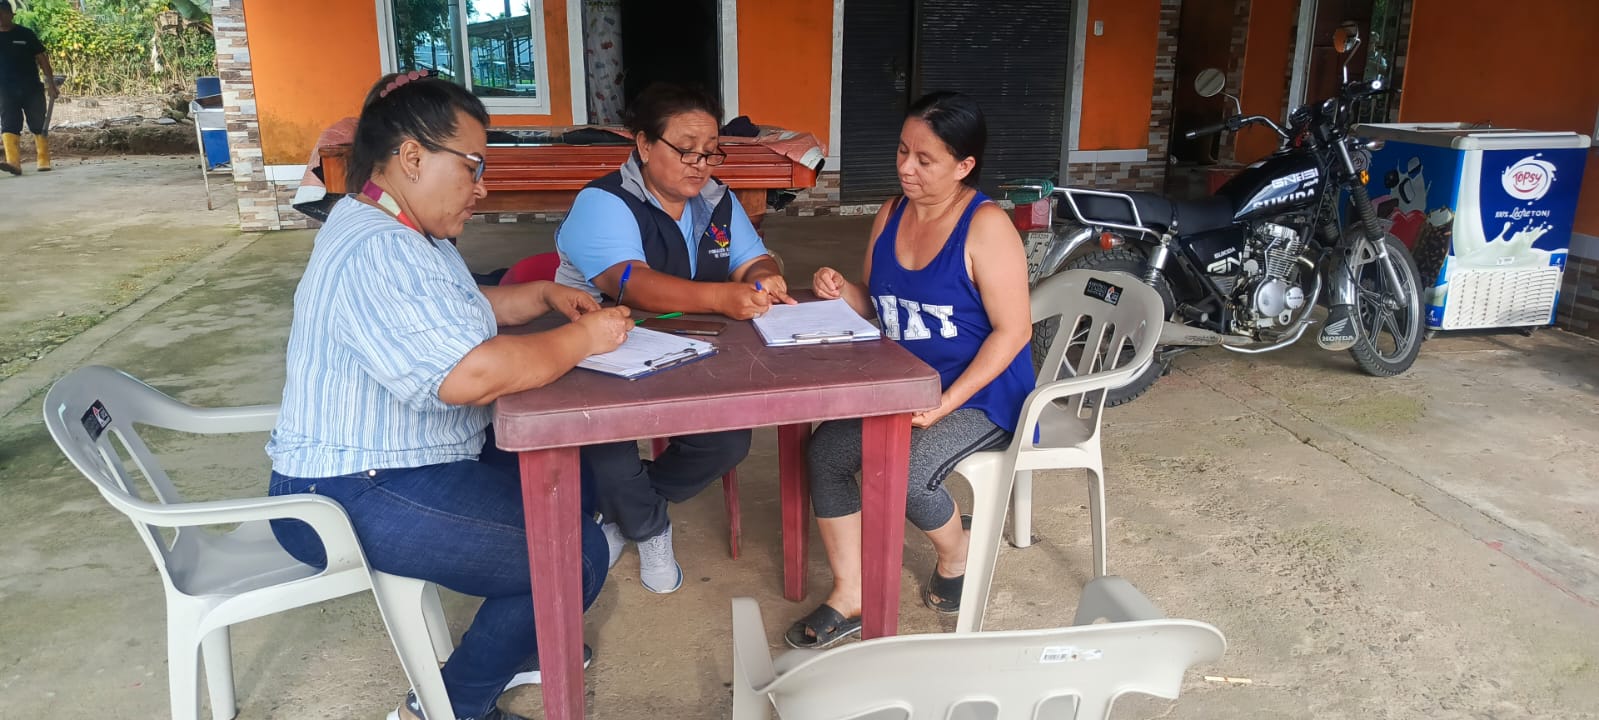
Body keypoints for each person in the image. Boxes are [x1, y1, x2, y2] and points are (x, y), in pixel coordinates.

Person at [264, 72, 634, 720]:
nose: (481, 186)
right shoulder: (379, 248)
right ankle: (447, 707)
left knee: (569, 484)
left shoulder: (400, 227)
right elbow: (469, 377)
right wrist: (583, 339)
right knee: (572, 555)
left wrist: (543, 296)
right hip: (348, 488)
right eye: (472, 166)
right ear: (412, 157)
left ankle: (518, 639)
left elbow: (458, 307)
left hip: (403, 461)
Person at [785, 92, 1034, 649]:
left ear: (964, 166)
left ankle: (956, 554)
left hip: (981, 393)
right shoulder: (891, 213)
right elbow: (878, 303)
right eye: (902, 151)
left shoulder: (986, 226)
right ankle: (851, 593)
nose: (905, 168)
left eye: (925, 159)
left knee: (907, 474)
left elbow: (1014, 331)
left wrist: (945, 403)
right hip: (904, 384)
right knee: (825, 454)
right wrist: (839, 290)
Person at [552, 82, 794, 594]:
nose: (699, 164)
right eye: (685, 149)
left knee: (729, 440)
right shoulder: (604, 201)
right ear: (643, 144)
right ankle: (649, 528)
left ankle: (626, 511)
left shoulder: (716, 200)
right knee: (607, 444)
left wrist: (764, 277)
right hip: (598, 353)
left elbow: (750, 258)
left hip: (686, 350)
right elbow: (629, 282)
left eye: (710, 152)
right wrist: (722, 297)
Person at [0, 0, 57, 175]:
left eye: (2, 13)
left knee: (38, 122)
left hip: (31, 88)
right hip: (5, 90)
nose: (0, 17)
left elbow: (42, 60)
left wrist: (51, 84)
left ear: (11, 15)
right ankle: (13, 163)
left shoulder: (26, 34)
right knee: (9, 124)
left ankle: (43, 159)